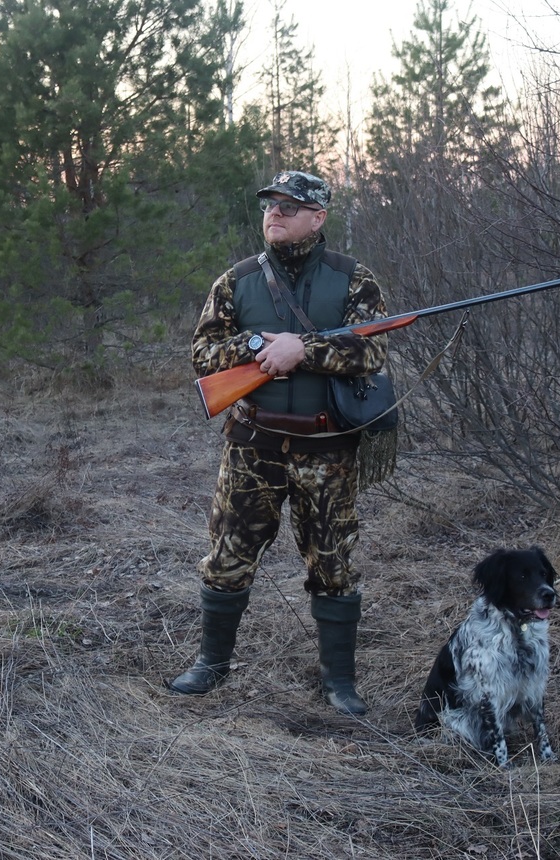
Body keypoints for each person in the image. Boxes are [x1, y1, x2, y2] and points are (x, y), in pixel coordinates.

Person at [167, 169, 390, 715]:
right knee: (226, 558)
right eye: (271, 205)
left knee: (333, 565)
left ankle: (339, 682)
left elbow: (373, 352)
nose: (275, 214)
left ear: (319, 217)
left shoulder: (354, 280)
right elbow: (202, 354)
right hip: (251, 446)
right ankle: (210, 665)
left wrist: (303, 352)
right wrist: (254, 345)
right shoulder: (236, 281)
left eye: (290, 207)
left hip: (327, 449)